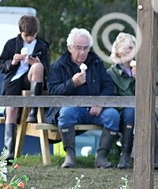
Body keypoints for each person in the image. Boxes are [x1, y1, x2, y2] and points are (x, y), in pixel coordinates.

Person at [46, 28, 120, 169]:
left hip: (94, 109)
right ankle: (70, 156)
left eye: (85, 48)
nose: (82, 52)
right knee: (66, 113)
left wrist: (100, 103)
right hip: (72, 109)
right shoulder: (58, 66)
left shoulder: (96, 63)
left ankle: (101, 157)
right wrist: (72, 83)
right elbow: (52, 92)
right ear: (70, 48)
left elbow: (108, 86)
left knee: (113, 115)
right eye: (78, 48)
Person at [0, 14, 50, 159]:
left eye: (32, 36)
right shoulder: (11, 44)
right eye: (26, 36)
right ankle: (9, 152)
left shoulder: (42, 46)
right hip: (14, 79)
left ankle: (33, 110)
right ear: (21, 32)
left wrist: (38, 62)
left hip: (31, 78)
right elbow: (1, 66)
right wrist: (12, 62)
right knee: (11, 109)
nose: (29, 39)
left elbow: (47, 70)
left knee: (38, 67)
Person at [105, 32, 158, 169]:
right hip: (123, 111)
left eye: (131, 47)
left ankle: (154, 157)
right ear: (117, 51)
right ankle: (125, 155)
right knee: (130, 112)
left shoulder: (147, 68)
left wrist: (141, 79)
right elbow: (110, 96)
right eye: (124, 48)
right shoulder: (111, 73)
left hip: (146, 107)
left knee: (150, 114)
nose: (127, 51)